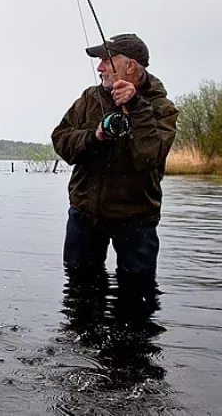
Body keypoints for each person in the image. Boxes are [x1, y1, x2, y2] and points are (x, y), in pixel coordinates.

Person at [51, 33, 179, 278]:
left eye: (106, 61)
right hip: (85, 215)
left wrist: (137, 107)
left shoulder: (162, 109)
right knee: (79, 294)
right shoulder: (90, 98)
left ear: (130, 66)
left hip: (137, 219)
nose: (99, 68)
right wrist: (94, 137)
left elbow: (149, 158)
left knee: (137, 296)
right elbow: (61, 140)